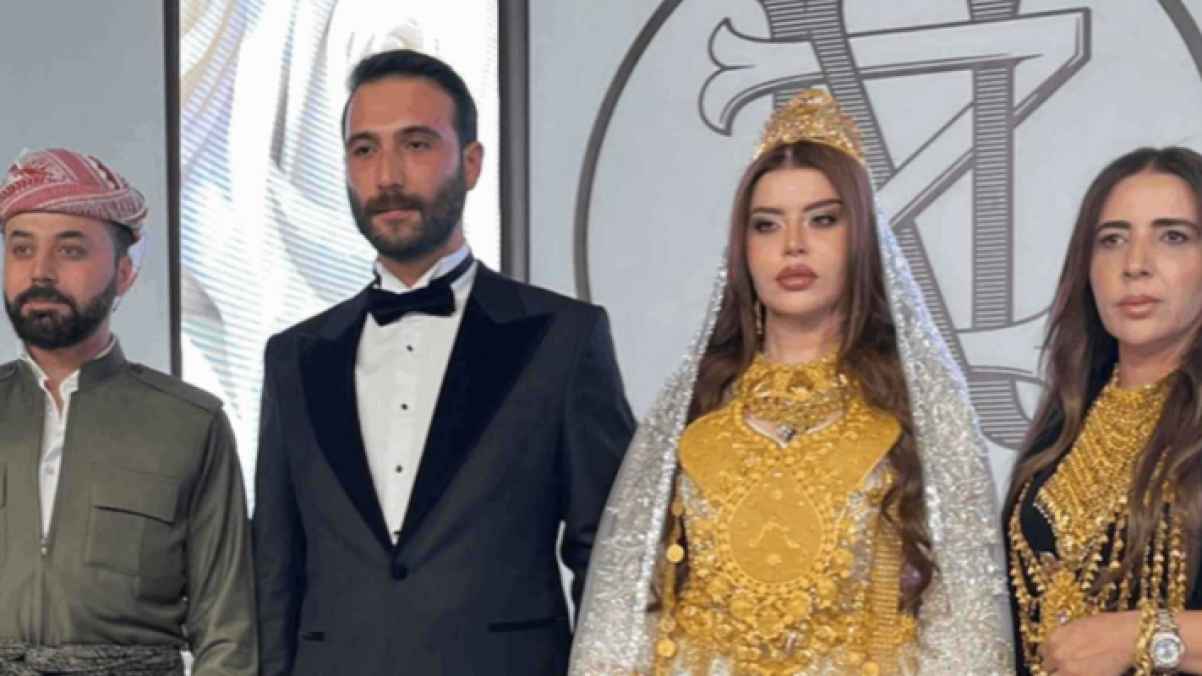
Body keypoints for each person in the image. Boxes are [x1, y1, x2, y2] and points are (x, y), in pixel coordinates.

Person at [569, 90, 1012, 675]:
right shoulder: (694, 413)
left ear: (861, 239)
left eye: (822, 219)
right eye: (767, 225)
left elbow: (966, 635)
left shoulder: (923, 414)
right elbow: (622, 625)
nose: (792, 244)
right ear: (743, 250)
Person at [253, 49, 635, 675]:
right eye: (365, 150)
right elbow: (275, 567)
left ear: (472, 162)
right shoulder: (293, 357)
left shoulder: (564, 338)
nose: (387, 176)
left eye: (417, 144)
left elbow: (612, 556)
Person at [0, 148, 257, 675]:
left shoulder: (190, 423)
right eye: (21, 249)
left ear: (124, 273)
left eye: (70, 250)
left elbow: (227, 633)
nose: (40, 272)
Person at [1005, 146, 1202, 676]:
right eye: (1112, 239)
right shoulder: (1067, 421)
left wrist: (1147, 637)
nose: (1135, 265)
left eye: (1173, 237)